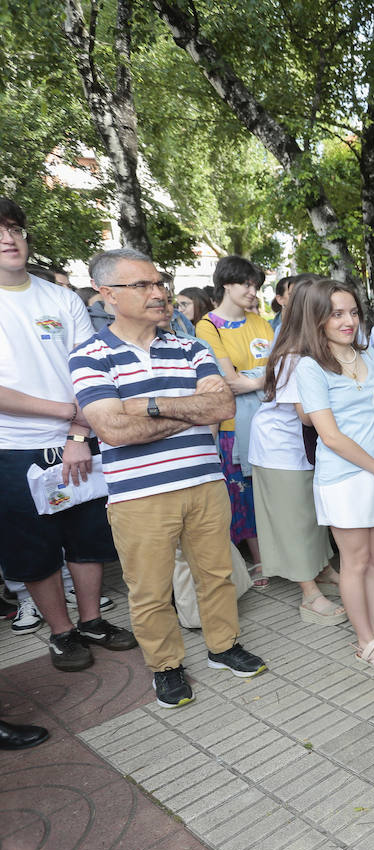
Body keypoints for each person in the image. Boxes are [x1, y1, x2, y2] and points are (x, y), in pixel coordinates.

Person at [71, 248, 267, 708]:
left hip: (203, 483)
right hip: (139, 496)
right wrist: (186, 410)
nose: (159, 293)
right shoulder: (91, 355)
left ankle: (223, 647)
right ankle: (166, 666)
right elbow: (112, 428)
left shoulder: (191, 346)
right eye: (143, 285)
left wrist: (150, 405)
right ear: (107, 295)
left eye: (159, 283)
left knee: (216, 574)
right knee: (150, 590)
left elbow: (221, 407)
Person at [0, 198, 133, 672]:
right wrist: (62, 411)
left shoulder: (59, 297)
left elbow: (89, 368)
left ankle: (93, 620)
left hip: (80, 438)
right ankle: (62, 632)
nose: (8, 238)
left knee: (88, 536)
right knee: (35, 548)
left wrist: (78, 429)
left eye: (15, 227)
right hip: (13, 447)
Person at [294, 279, 374, 670]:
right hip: (346, 478)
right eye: (337, 313)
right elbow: (329, 435)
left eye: (353, 312)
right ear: (317, 318)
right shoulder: (309, 367)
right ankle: (365, 641)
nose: (348, 321)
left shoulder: (369, 355)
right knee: (355, 561)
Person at [249, 278, 345, 627]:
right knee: (295, 521)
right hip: (280, 451)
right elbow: (308, 414)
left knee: (311, 517)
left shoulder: (309, 350)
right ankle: (309, 594)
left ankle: (321, 570)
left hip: (302, 449)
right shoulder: (294, 356)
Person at [196, 256, 273, 587]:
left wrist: (253, 380)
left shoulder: (261, 322)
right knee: (244, 496)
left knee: (271, 491)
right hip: (232, 427)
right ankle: (259, 560)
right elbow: (228, 380)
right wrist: (264, 379)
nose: (253, 291)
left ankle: (279, 553)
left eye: (256, 285)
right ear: (227, 283)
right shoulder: (207, 326)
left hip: (272, 421)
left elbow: (283, 368)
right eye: (247, 284)